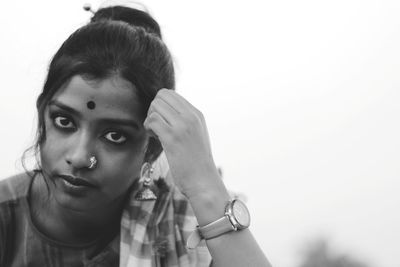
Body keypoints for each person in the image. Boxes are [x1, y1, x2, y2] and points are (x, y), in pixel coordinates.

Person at [0, 4, 271, 267]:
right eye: (64, 121)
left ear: (151, 149)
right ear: (42, 113)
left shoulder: (181, 221)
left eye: (114, 136)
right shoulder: (5, 216)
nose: (80, 157)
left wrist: (206, 186)